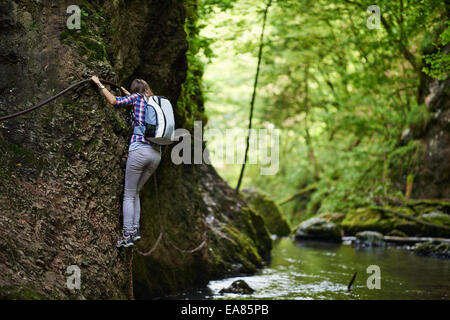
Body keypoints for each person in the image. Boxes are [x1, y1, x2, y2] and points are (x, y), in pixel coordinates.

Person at [91, 75, 161, 248]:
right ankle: (135, 231)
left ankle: (127, 235)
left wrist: (99, 84)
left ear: (135, 90)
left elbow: (114, 101)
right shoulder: (155, 103)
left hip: (139, 151)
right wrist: (130, 94)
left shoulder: (136, 99)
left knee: (129, 194)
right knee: (136, 192)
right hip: (156, 155)